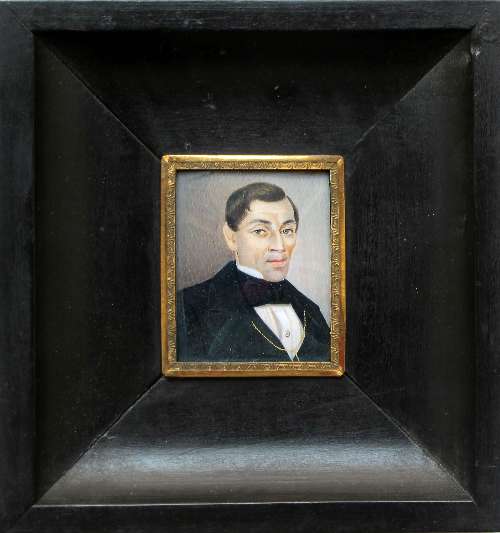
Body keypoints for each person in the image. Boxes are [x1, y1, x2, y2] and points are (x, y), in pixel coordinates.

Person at [176, 182, 330, 362]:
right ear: (231, 237)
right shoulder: (187, 307)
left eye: (287, 230)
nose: (279, 246)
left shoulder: (310, 309)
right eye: (260, 231)